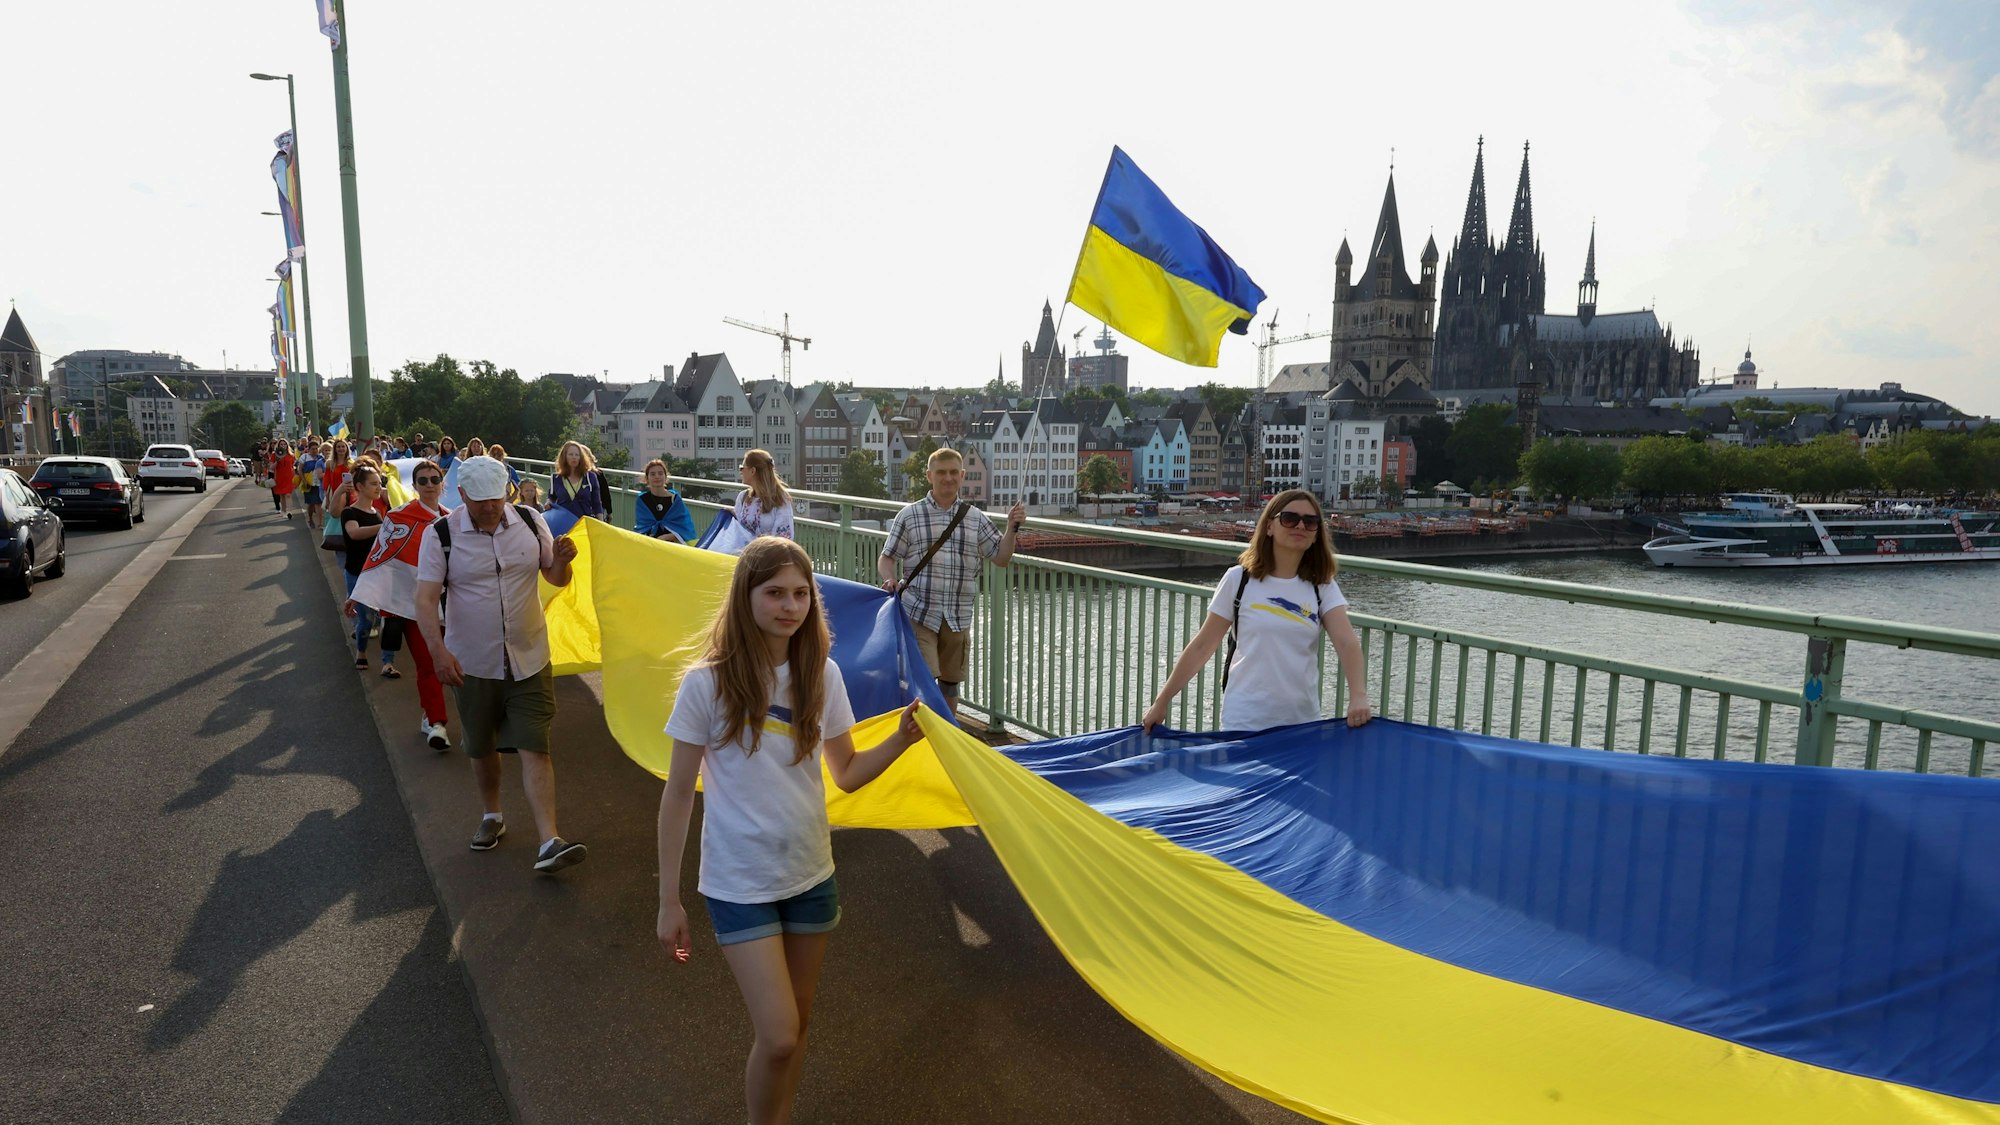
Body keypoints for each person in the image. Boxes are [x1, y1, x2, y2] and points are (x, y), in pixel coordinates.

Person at [657, 537, 923, 1125]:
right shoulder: (706, 683)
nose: (790, 605)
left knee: (797, 1027)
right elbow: (678, 795)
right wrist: (668, 898)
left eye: (802, 593)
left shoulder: (822, 674)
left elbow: (847, 774)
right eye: (775, 592)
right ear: (745, 595)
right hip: (737, 882)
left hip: (810, 874)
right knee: (777, 1035)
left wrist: (902, 739)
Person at [413, 456, 585, 873]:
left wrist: (563, 560)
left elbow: (554, 577)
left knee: (535, 746)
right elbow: (425, 600)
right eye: (482, 501)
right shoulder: (440, 535)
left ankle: (549, 840)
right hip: (471, 662)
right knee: (482, 746)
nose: (492, 508)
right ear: (464, 494)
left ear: (507, 491)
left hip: (529, 656)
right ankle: (492, 815)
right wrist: (438, 653)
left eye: (497, 499)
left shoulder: (529, 521)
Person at [1141, 489, 1372, 734]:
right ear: (1269, 526)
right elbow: (1202, 647)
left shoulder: (1321, 586)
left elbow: (1347, 643)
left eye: (1311, 521)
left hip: (1302, 724)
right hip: (1245, 721)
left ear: (1317, 535)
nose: (1301, 526)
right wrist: (1162, 701)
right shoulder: (1239, 580)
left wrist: (1358, 696)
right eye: (1289, 518)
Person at [877, 447, 1025, 710]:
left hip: (958, 615)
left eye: (954, 472)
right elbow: (887, 558)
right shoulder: (910, 515)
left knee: (949, 683)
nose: (948, 478)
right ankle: (920, 738)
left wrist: (1011, 529)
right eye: (941, 472)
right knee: (923, 680)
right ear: (929, 476)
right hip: (919, 611)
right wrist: (890, 580)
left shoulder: (975, 518)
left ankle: (948, 734)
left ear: (962, 475)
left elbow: (1001, 558)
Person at [341, 466, 396, 672]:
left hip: (379, 573)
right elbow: (354, 533)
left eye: (379, 483)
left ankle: (387, 662)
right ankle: (361, 651)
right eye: (373, 484)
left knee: (388, 617)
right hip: (358, 573)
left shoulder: (378, 513)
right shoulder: (349, 512)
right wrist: (385, 526)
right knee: (365, 620)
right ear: (359, 487)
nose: (378, 487)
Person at [732, 448, 795, 542]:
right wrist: (732, 515)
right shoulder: (743, 497)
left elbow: (784, 538)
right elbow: (737, 531)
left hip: (769, 555)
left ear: (752, 471)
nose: (740, 471)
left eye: (742, 468)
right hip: (745, 554)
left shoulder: (781, 498)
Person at [635, 459, 696, 543]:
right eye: (652, 474)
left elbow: (685, 530)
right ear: (647, 478)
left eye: (660, 473)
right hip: (650, 544)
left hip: (671, 546)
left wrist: (666, 537)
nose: (657, 477)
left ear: (665, 476)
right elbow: (642, 528)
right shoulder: (642, 500)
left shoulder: (674, 500)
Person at [549, 441, 610, 521]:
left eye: (577, 455)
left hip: (583, 523)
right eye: (571, 454)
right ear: (564, 457)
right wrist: (548, 502)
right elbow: (551, 497)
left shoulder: (590, 477)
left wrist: (601, 524)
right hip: (563, 523)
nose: (574, 457)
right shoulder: (556, 478)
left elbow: (597, 504)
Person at [299, 441, 329, 531]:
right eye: (313, 449)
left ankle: (320, 523)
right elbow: (300, 470)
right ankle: (310, 518)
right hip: (309, 483)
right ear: (309, 449)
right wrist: (304, 480)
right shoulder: (304, 457)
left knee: (318, 503)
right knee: (311, 504)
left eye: (316, 449)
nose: (315, 450)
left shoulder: (321, 458)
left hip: (318, 483)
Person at [272, 440, 298, 518]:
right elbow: (271, 467)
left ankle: (289, 511)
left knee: (288, 494)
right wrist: (277, 461)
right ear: (278, 446)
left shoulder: (291, 455)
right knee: (282, 495)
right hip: (280, 477)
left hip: (289, 477)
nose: (283, 446)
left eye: (285, 444)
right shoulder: (275, 455)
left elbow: (294, 466)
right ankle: (283, 510)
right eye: (281, 444)